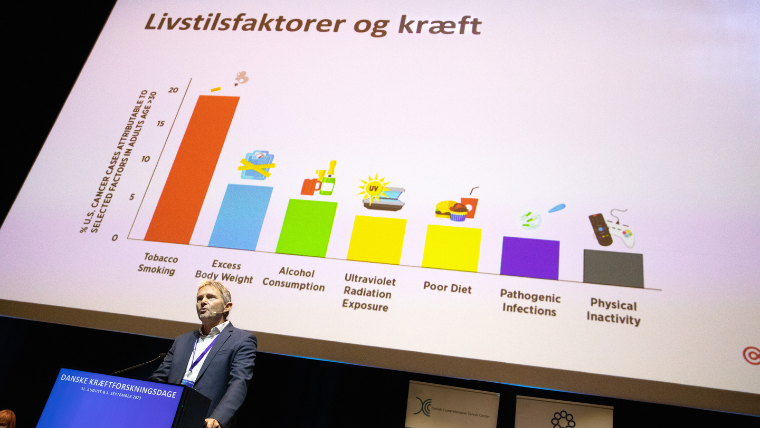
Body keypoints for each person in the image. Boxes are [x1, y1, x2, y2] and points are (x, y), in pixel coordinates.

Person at [149, 280, 257, 428]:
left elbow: (239, 383)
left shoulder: (242, 340)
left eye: (211, 297)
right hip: (170, 417)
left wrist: (218, 418)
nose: (203, 302)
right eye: (199, 298)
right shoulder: (183, 340)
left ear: (227, 306)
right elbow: (159, 379)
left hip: (206, 421)